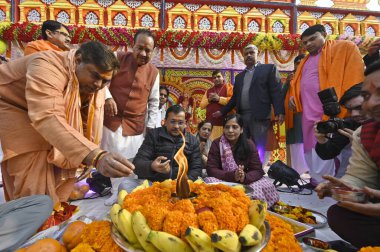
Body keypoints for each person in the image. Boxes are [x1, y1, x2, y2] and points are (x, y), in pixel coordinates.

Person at [0, 41, 135, 206]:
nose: (99, 85)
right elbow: (48, 116)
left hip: (45, 113)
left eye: (105, 81)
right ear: (78, 60)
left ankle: (53, 212)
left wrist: (87, 154)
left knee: (62, 162)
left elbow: (87, 119)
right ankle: (30, 219)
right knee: (33, 173)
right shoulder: (46, 66)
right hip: (14, 107)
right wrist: (95, 156)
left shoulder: (92, 86)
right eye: (95, 76)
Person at [289, 24, 364, 188]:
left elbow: (355, 76)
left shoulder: (343, 48)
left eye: (312, 39)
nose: (308, 44)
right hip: (308, 111)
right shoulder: (305, 60)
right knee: (311, 143)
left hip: (330, 110)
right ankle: (316, 179)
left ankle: (329, 181)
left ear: (324, 34)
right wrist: (294, 95)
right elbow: (298, 83)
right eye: (305, 43)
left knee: (329, 141)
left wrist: (344, 104)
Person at [315, 60, 380, 248]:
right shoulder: (363, 132)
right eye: (368, 96)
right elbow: (359, 177)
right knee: (339, 214)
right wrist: (341, 188)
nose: (373, 103)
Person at [101, 29, 159, 205]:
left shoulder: (154, 72)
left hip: (136, 124)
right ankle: (115, 192)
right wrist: (108, 97)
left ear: (153, 51)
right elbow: (101, 79)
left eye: (148, 50)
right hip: (112, 120)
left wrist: (152, 127)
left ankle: (129, 192)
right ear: (131, 46)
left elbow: (154, 101)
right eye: (139, 48)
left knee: (134, 160)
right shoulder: (116, 58)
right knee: (114, 156)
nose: (143, 53)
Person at [213, 45, 284, 161]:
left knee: (260, 144)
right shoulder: (240, 77)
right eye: (246, 54)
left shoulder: (268, 69)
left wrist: (280, 111)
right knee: (243, 144)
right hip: (242, 116)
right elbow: (234, 99)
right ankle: (245, 169)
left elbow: (276, 92)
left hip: (260, 115)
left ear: (258, 53)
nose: (249, 55)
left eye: (251, 53)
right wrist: (222, 111)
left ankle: (259, 169)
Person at [205, 114, 279, 207]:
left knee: (265, 185)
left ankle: (254, 209)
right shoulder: (217, 143)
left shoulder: (249, 144)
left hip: (246, 181)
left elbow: (257, 170)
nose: (230, 130)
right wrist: (232, 176)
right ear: (223, 129)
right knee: (208, 181)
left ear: (241, 129)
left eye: (235, 127)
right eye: (227, 127)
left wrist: (244, 177)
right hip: (224, 180)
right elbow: (211, 169)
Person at [132, 105, 202, 182]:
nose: (176, 126)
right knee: (125, 185)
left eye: (180, 123)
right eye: (172, 122)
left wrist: (184, 181)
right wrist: (152, 166)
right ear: (165, 122)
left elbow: (196, 168)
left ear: (185, 123)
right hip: (153, 184)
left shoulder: (192, 141)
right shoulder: (154, 135)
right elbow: (137, 164)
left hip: (180, 187)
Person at [314, 83, 370, 178]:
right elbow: (328, 153)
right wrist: (322, 141)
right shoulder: (350, 124)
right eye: (349, 110)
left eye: (359, 107)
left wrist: (363, 146)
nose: (354, 114)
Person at [283, 54, 308, 175]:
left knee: (306, 140)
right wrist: (287, 83)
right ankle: (295, 169)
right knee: (295, 140)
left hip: (307, 112)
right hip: (292, 114)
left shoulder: (309, 75)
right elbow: (282, 95)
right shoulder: (290, 77)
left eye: (301, 62)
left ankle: (307, 168)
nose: (298, 65)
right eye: (296, 63)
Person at [199, 70, 233, 140]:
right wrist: (209, 100)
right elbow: (201, 106)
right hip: (210, 124)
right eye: (214, 78)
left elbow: (233, 102)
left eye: (218, 76)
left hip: (224, 124)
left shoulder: (229, 87)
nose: (216, 79)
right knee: (210, 146)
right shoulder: (209, 91)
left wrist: (219, 99)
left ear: (223, 77)